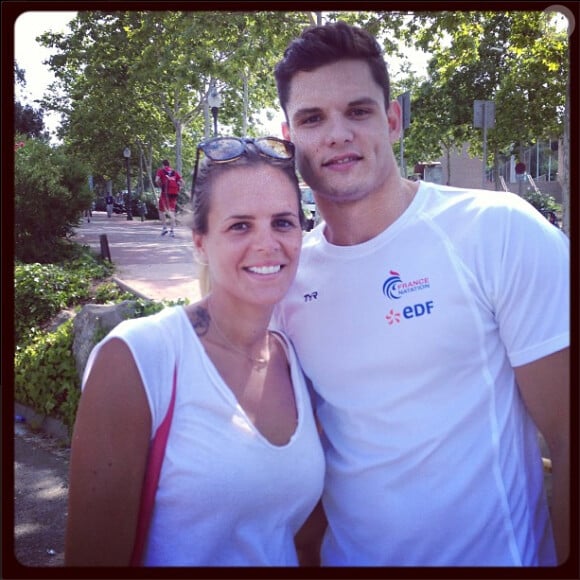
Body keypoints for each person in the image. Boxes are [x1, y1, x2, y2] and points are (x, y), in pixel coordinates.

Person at [273, 21, 570, 566]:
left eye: (358, 111)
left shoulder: (496, 231)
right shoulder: (286, 281)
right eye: (313, 119)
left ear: (392, 121)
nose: (337, 133)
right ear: (291, 139)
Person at [65, 136, 325, 567]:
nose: (267, 244)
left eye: (283, 222)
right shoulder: (137, 358)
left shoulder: (296, 358)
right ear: (200, 242)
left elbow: (298, 538)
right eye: (240, 225)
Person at [155, 159, 183, 237]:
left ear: (163, 165)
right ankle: (172, 231)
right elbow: (182, 182)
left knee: (161, 210)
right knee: (172, 211)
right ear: (169, 165)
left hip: (165, 194)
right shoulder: (174, 172)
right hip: (173, 194)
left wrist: (160, 186)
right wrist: (178, 188)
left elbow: (156, 180)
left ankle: (164, 228)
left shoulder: (161, 171)